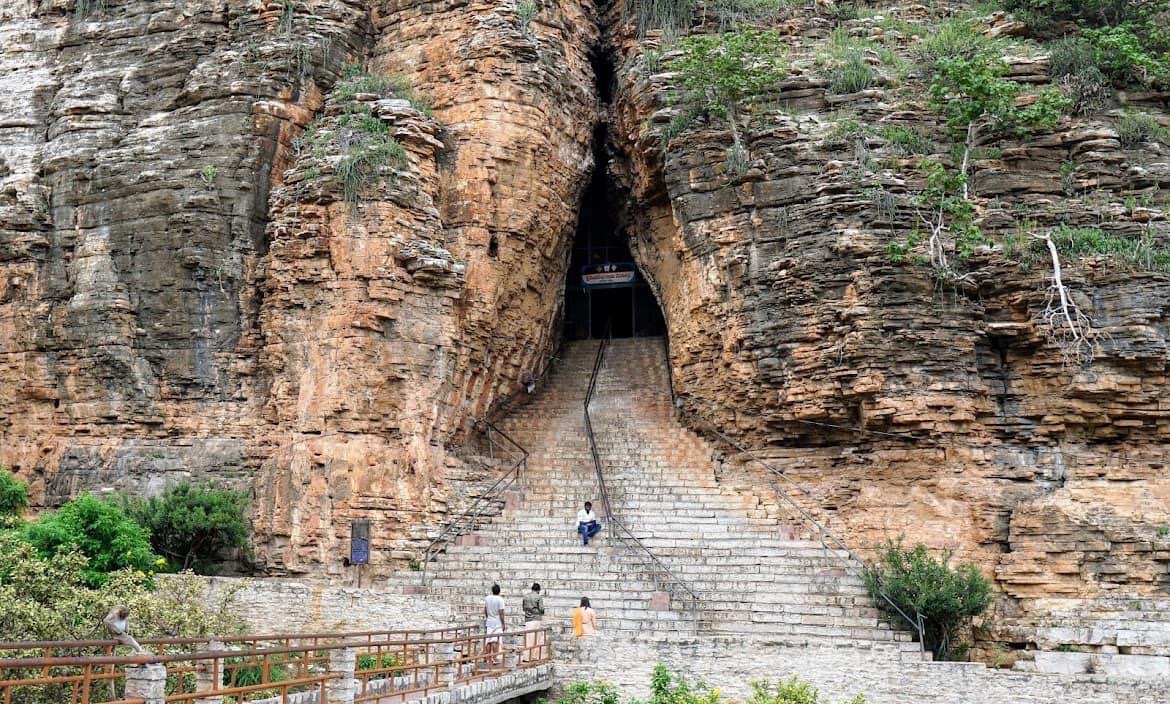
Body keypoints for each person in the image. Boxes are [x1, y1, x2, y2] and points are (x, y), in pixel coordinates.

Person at [521, 582, 545, 662]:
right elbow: (541, 609)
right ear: (538, 590)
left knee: (528, 639)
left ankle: (526, 657)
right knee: (536, 639)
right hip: (536, 619)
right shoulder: (538, 597)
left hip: (528, 620)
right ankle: (534, 656)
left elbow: (523, 608)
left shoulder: (526, 597)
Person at [483, 583, 506, 667]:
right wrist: (503, 624)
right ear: (499, 591)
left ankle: (488, 658)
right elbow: (501, 612)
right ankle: (495, 658)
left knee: (489, 640)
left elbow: (485, 610)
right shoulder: (500, 599)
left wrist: (488, 617)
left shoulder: (487, 598)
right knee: (495, 640)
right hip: (497, 622)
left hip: (489, 621)